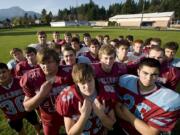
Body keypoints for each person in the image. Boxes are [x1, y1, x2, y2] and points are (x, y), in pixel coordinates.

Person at [116, 58, 180, 135]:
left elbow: (150, 133)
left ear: (159, 75)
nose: (149, 78)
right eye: (145, 73)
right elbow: (116, 109)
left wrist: (127, 113)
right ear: (138, 72)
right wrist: (141, 125)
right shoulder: (126, 81)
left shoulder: (169, 99)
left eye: (154, 74)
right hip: (120, 128)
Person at [20, 49, 73, 135]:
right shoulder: (32, 78)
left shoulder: (69, 72)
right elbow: (27, 107)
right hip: (48, 118)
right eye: (42, 63)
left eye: (49, 62)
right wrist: (41, 95)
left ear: (57, 62)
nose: (45, 66)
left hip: (70, 114)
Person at [56, 63, 116, 135]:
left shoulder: (104, 91)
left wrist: (101, 115)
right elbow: (71, 133)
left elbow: (111, 126)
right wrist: (84, 116)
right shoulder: (68, 98)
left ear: (94, 77)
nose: (87, 86)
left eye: (89, 80)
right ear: (76, 83)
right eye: (82, 83)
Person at [0, 63, 41, 135]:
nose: (1, 75)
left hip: (27, 110)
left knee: (35, 123)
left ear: (9, 71)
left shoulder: (21, 80)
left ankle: (38, 133)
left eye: (3, 72)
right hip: (12, 116)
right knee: (20, 131)